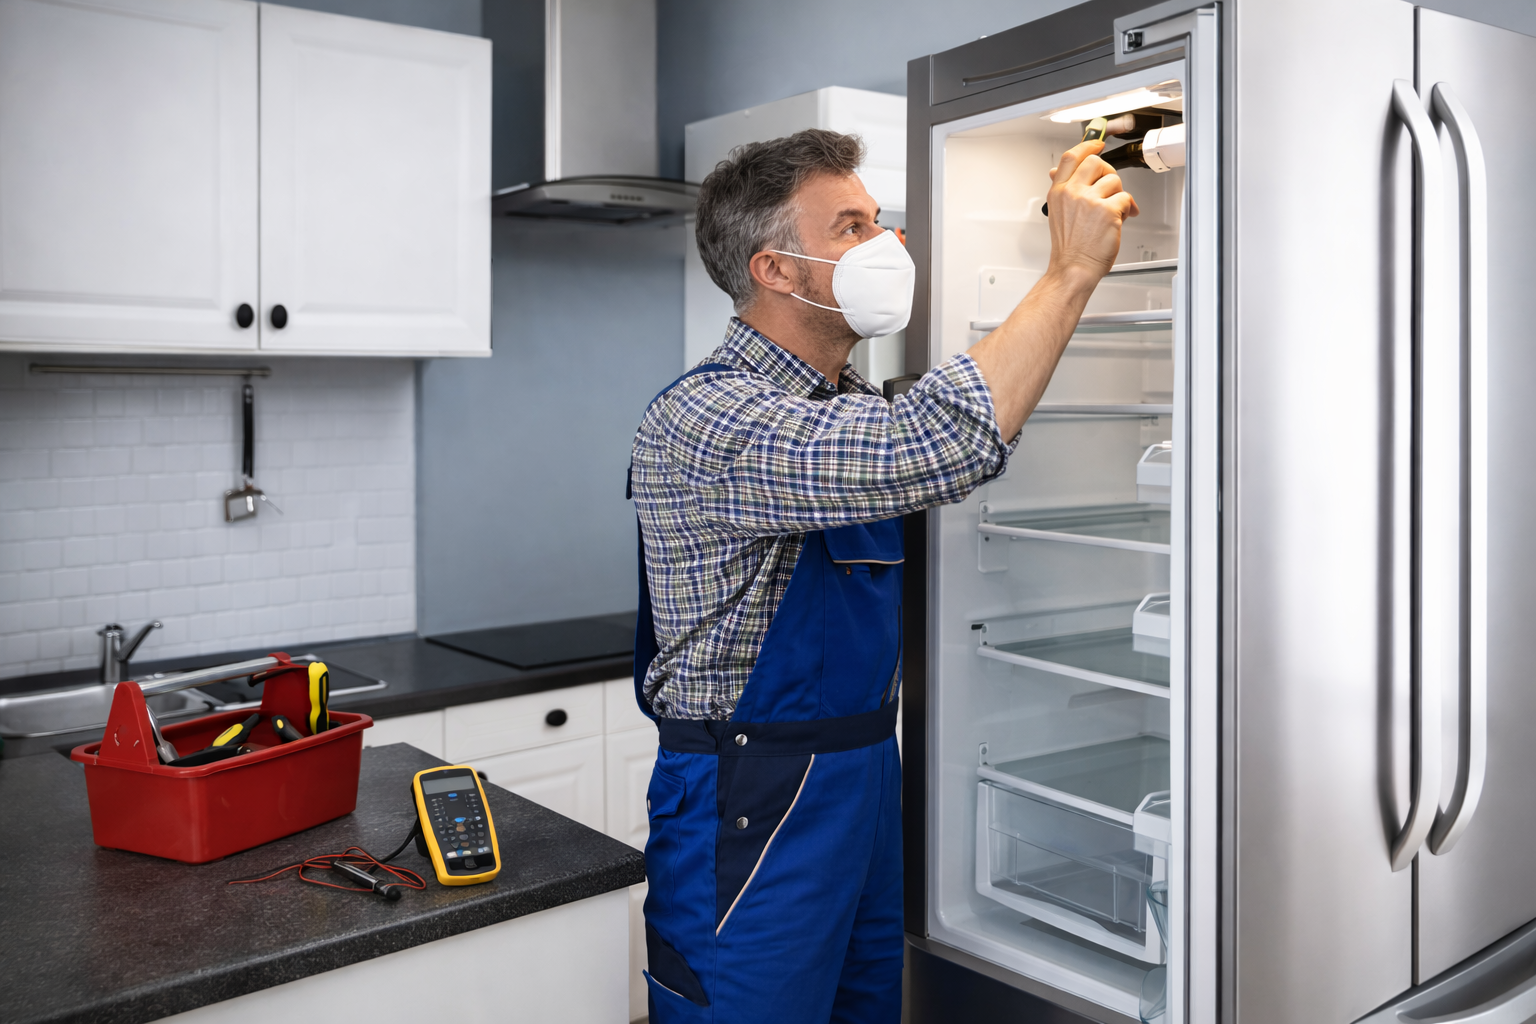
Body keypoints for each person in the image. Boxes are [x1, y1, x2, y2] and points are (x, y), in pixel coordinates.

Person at [627, 127, 1138, 1024]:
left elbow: (938, 436)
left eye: (880, 221)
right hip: (748, 808)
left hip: (865, 781)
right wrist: (1067, 271)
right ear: (775, 269)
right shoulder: (707, 417)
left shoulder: (857, 408)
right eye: (851, 227)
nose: (886, 246)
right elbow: (937, 444)